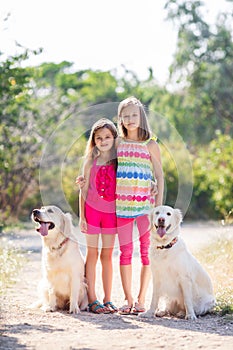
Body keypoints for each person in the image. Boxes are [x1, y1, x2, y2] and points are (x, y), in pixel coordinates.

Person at [116, 96, 164, 314]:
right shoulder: (117, 142)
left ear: (141, 117)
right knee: (125, 252)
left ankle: (141, 299)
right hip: (122, 207)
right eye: (126, 116)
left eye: (134, 114)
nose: (130, 119)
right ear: (121, 119)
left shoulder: (151, 144)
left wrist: (158, 209)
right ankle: (127, 299)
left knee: (146, 253)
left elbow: (160, 176)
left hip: (146, 207)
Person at [78, 118, 118, 314]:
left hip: (111, 214)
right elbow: (82, 191)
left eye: (108, 137)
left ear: (114, 138)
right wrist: (82, 217)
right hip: (92, 212)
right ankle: (92, 298)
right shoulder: (89, 161)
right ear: (94, 140)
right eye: (99, 137)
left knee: (107, 255)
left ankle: (108, 298)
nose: (103, 141)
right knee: (92, 254)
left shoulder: (118, 162)